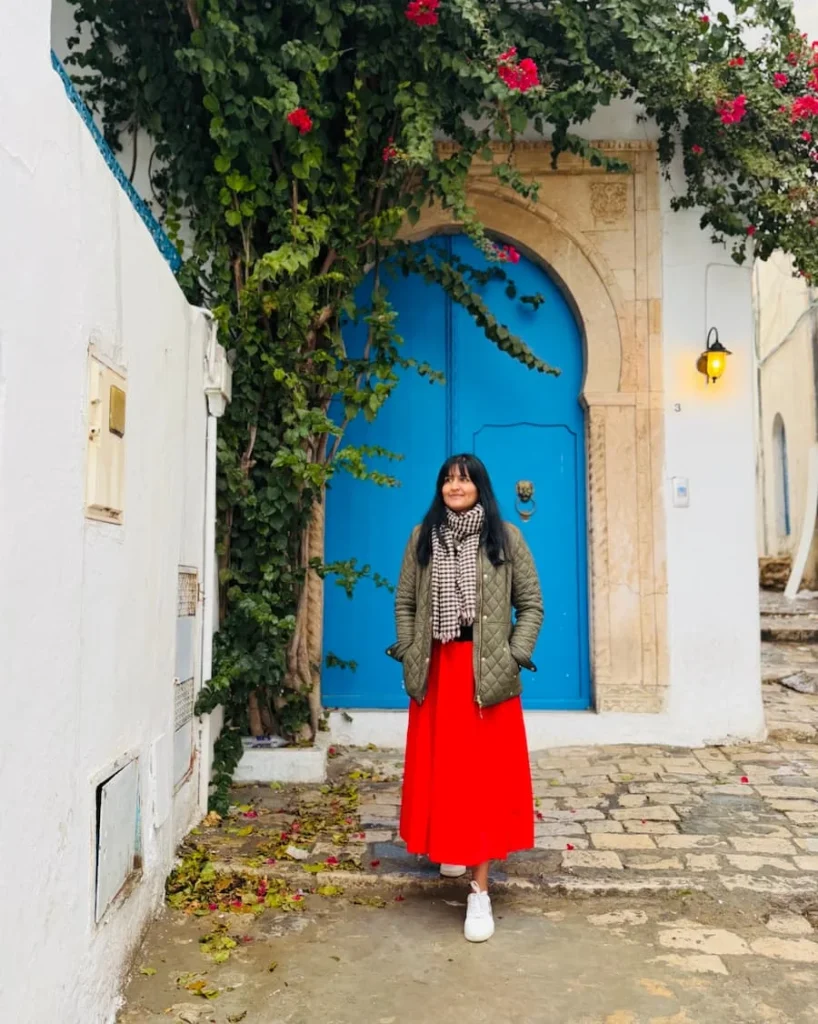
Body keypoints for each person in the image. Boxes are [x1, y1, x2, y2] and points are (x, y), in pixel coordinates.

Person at [386, 453, 544, 942]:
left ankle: (480, 892)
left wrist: (514, 656)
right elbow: (406, 602)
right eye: (448, 479)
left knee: (481, 781)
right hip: (439, 671)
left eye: (465, 479)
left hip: (485, 677)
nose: (456, 486)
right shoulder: (422, 537)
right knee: (445, 773)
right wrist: (412, 649)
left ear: (480, 486)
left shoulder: (506, 537)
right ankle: (451, 850)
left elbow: (531, 604)